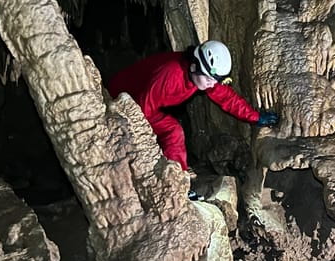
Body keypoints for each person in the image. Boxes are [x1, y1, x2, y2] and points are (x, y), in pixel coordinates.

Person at [107, 41, 279, 186]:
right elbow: (139, 117)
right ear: (194, 65)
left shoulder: (201, 76)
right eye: (209, 79)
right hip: (122, 100)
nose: (212, 85)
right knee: (172, 131)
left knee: (174, 131)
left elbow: (226, 98)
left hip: (143, 102)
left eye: (215, 81)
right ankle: (174, 179)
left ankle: (179, 176)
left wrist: (255, 117)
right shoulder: (170, 76)